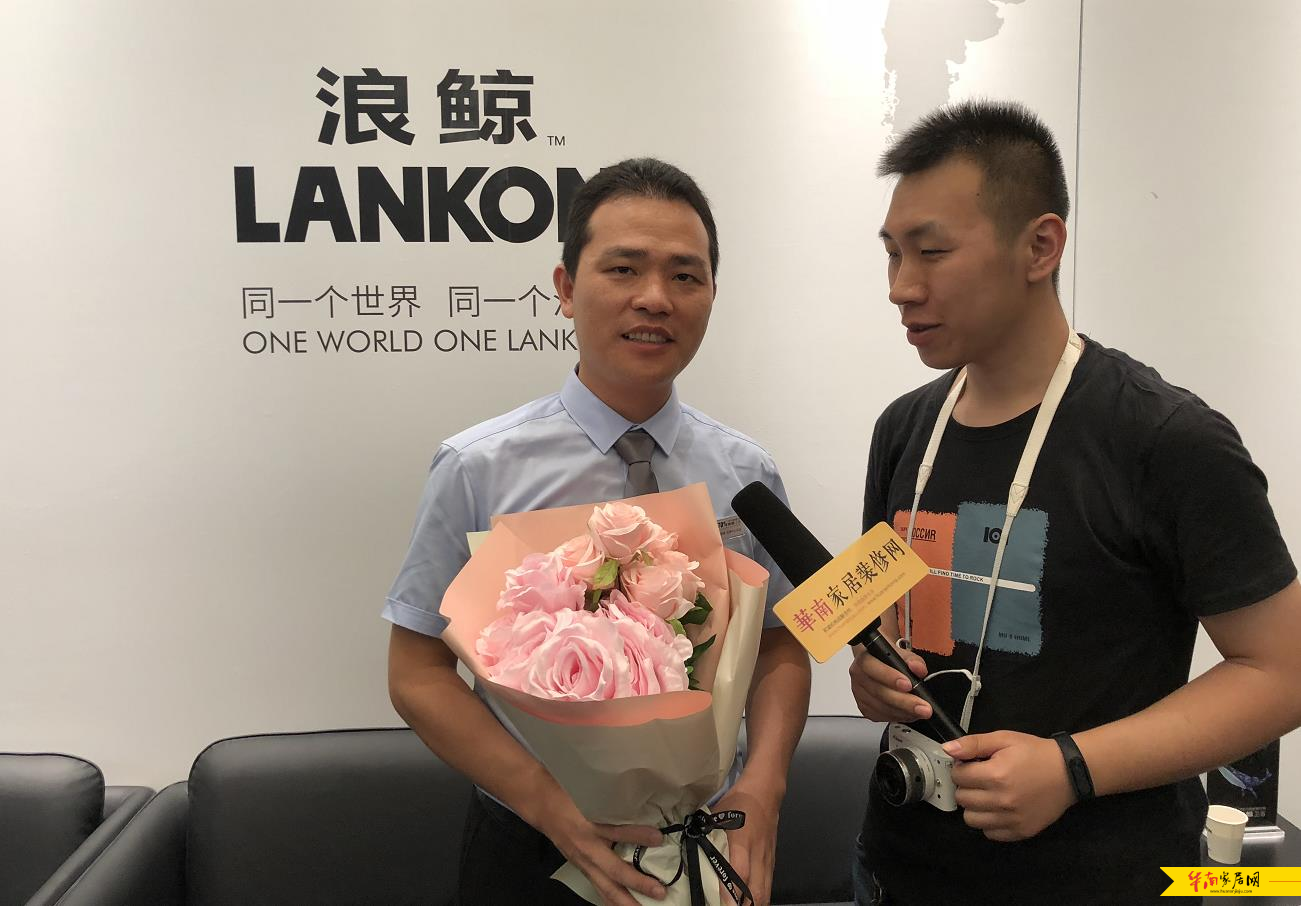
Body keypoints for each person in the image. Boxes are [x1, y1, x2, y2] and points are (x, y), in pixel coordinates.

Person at [849, 101, 1301, 904]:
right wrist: (869, 676)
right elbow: (884, 621)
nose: (899, 288)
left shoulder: (1164, 439)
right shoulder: (903, 430)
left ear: (1039, 246)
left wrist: (1071, 767)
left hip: (1101, 879)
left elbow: (1281, 670)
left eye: (931, 252)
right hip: (896, 867)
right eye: (891, 254)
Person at [385, 157, 811, 906]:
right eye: (623, 269)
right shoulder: (479, 468)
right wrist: (545, 801)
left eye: (685, 275)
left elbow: (778, 644)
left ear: (712, 295)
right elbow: (417, 672)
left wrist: (765, 786)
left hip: (712, 835)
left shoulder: (745, 471)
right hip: (531, 842)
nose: (655, 298)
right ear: (564, 287)